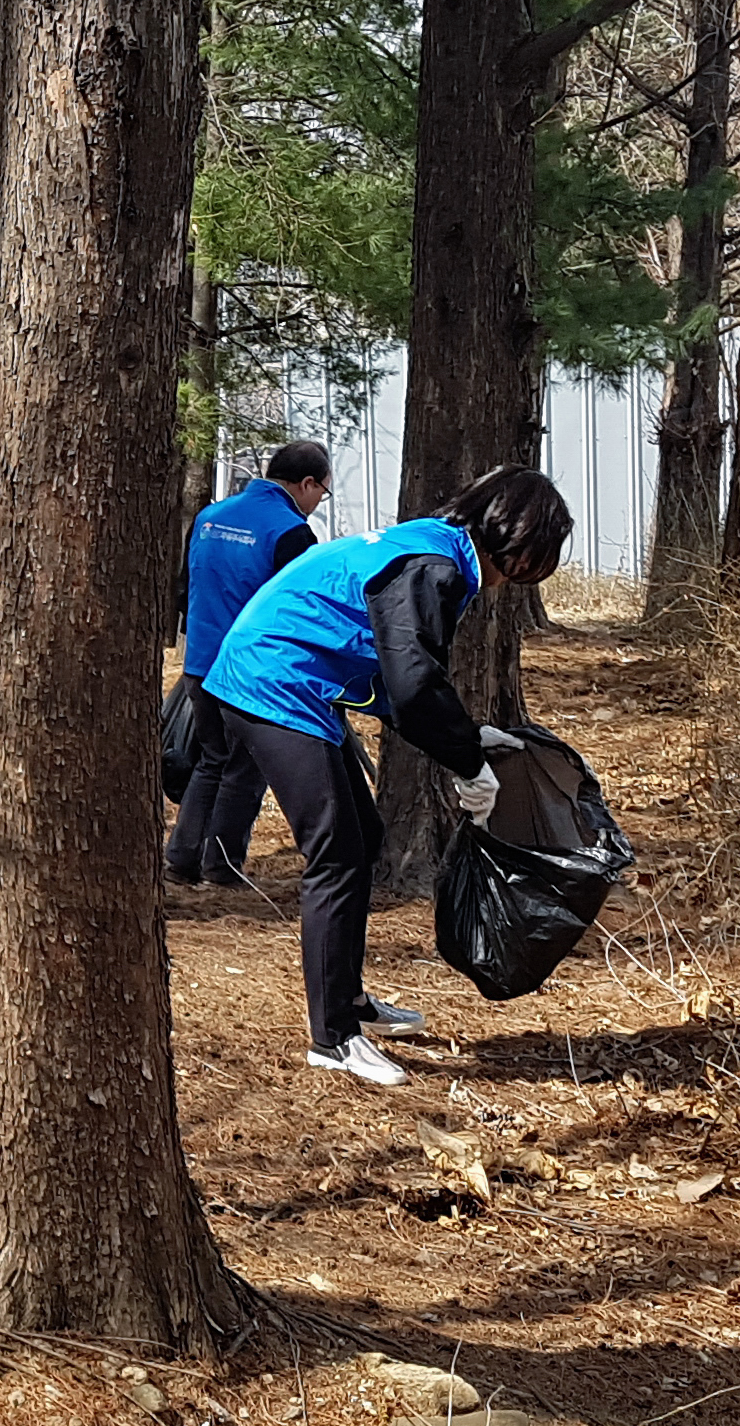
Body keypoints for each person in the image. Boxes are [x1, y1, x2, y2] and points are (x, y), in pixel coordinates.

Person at [197, 463, 575, 1088]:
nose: (517, 580)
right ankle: (333, 1039)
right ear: (519, 539)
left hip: (292, 680)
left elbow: (399, 676)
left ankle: (347, 999)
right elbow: (414, 683)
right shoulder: (435, 567)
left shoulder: (433, 548)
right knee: (337, 855)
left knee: (362, 838)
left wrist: (467, 735)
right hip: (271, 681)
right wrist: (469, 764)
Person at [166, 438, 333, 888]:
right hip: (251, 672)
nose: (318, 503)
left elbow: (183, 592)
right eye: (322, 492)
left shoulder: (209, 517)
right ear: (306, 483)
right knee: (245, 768)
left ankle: (182, 858)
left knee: (212, 759)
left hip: (200, 661)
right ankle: (221, 867)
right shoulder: (291, 533)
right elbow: (299, 613)